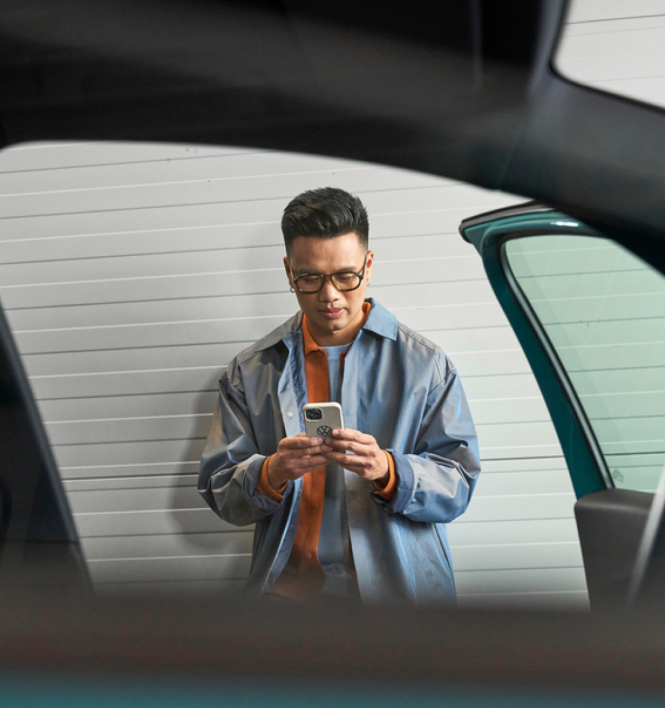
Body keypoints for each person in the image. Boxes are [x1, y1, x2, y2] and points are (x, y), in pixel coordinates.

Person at [197, 187, 480, 605]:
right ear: (288, 271)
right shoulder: (250, 370)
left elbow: (459, 485)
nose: (329, 296)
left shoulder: (426, 366)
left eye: (345, 277)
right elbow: (221, 491)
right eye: (310, 278)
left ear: (368, 266)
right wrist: (272, 472)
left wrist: (389, 469)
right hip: (286, 600)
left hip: (399, 599)